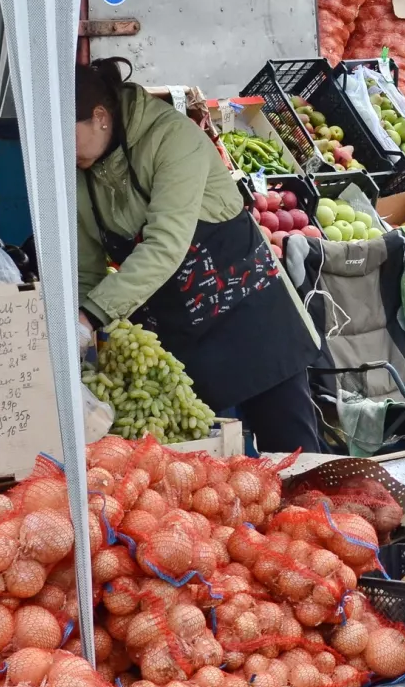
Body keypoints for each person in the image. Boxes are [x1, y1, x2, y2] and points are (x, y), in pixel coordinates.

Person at [74, 58, 322, 455]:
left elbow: (166, 243)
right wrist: (82, 332)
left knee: (294, 455)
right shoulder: (81, 172)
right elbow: (86, 265)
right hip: (180, 338)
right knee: (209, 473)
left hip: (251, 321)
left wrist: (93, 315)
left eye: (68, 140)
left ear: (100, 117)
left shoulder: (173, 138)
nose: (65, 156)